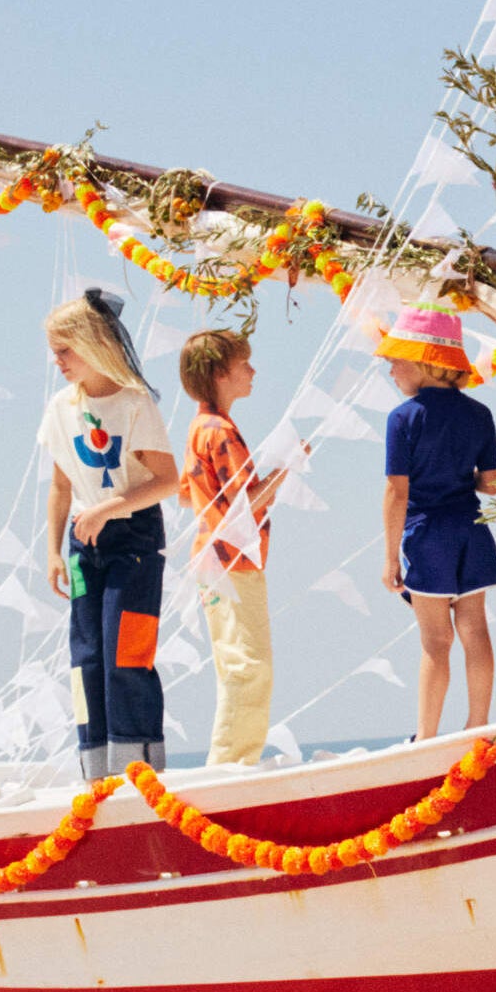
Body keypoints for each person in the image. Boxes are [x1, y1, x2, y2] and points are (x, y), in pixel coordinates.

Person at [40, 290, 180, 780]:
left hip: (134, 540)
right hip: (84, 542)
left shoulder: (134, 402)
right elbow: (60, 485)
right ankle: (95, 772)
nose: (56, 361)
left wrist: (109, 509)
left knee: (127, 651)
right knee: (87, 659)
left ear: (92, 344)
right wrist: (54, 551)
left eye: (64, 350)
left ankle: (139, 769)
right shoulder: (60, 407)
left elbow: (168, 480)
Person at [379, 303, 496, 742]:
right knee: (475, 629)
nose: (390, 370)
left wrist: (390, 557)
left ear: (421, 360)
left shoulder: (403, 418)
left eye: (395, 361)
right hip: (472, 529)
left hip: (427, 535)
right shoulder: (480, 414)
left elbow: (398, 492)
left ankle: (426, 737)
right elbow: (491, 484)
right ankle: (478, 724)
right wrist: (461, 475)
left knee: (435, 641)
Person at [177, 328, 293, 766]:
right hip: (232, 560)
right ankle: (231, 765)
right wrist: (288, 467)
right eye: (244, 364)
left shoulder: (198, 427)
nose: (252, 370)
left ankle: (231, 761)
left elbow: (188, 494)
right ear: (222, 373)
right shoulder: (221, 431)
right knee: (250, 668)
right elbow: (246, 504)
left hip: (211, 559)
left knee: (236, 665)